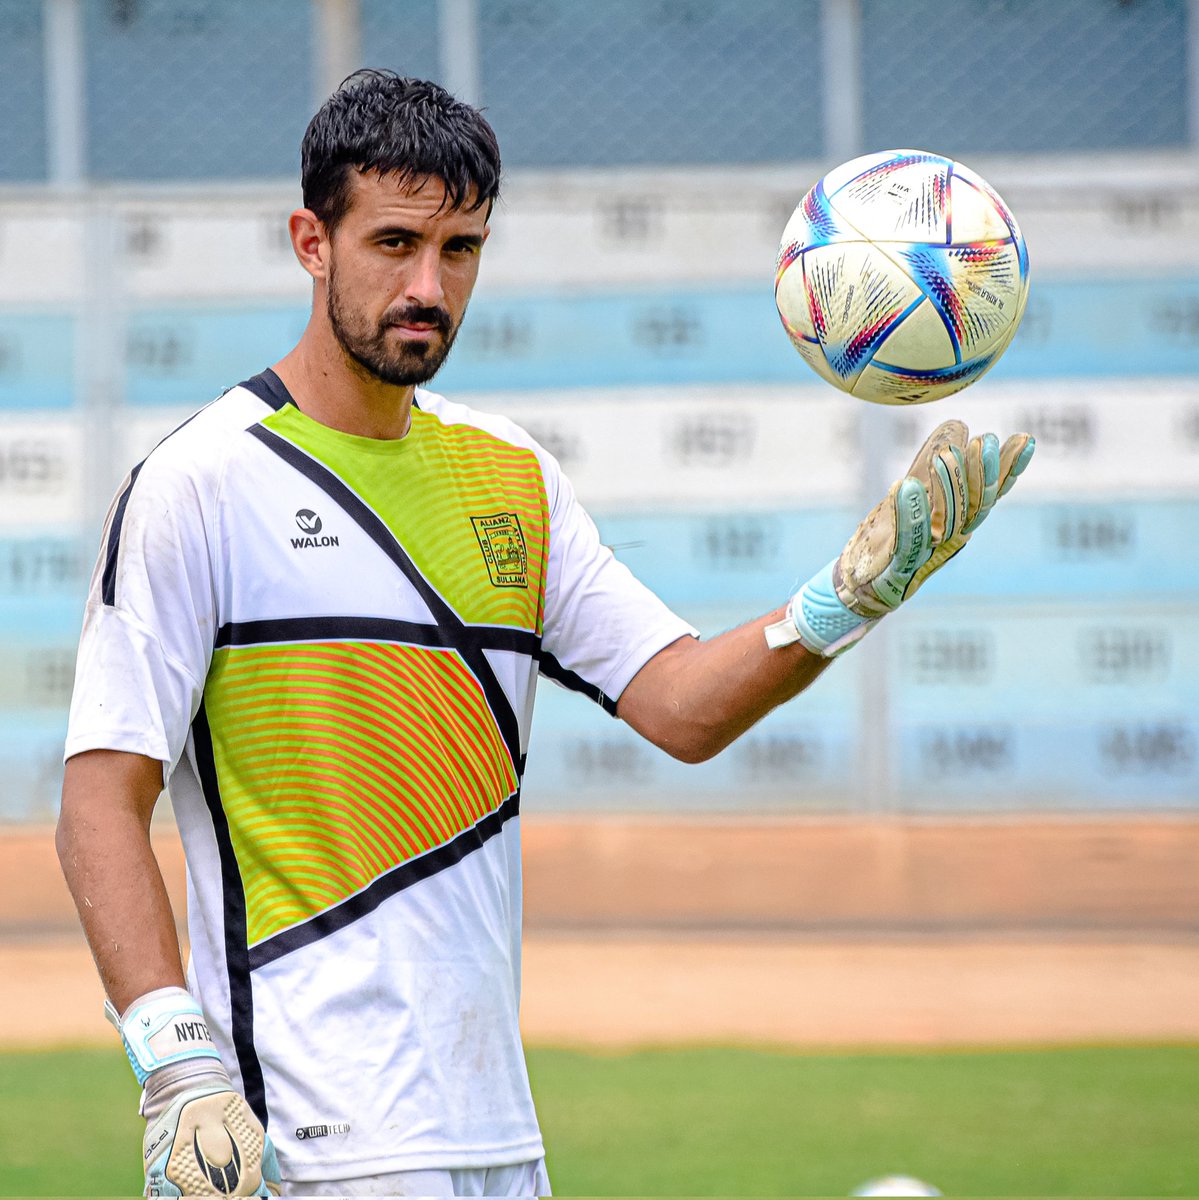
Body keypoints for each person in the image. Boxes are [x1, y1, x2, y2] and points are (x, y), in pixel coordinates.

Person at [56, 70, 1034, 1198]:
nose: (427, 287)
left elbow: (680, 706)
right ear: (310, 243)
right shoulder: (197, 485)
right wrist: (175, 1064)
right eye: (393, 243)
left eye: (460, 250)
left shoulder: (512, 474)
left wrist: (847, 598)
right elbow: (100, 799)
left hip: (496, 1137)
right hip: (306, 1140)